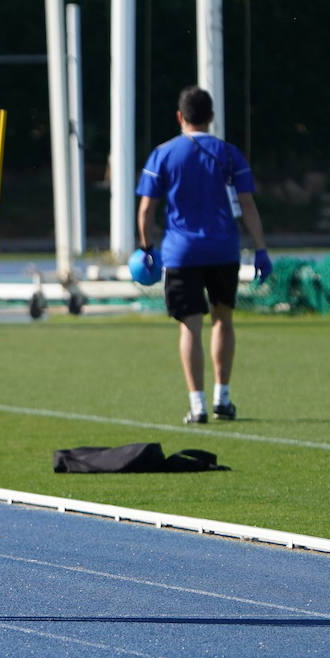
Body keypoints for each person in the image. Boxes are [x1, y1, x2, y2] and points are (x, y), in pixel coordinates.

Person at [136, 86, 271, 424]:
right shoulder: (228, 153)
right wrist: (261, 249)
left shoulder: (162, 154)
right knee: (223, 319)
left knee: (190, 327)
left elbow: (146, 210)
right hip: (223, 248)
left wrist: (146, 247)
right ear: (211, 117)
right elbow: (248, 205)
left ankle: (197, 406)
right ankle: (222, 398)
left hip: (181, 252)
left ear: (180, 117)